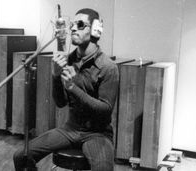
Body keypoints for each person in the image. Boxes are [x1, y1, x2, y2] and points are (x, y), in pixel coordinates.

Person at [13, 8, 119, 171]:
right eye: (73, 24)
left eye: (80, 24)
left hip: (97, 134)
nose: (73, 28)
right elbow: (61, 103)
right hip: (70, 128)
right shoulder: (68, 60)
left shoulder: (108, 67)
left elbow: (105, 110)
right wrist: (56, 77)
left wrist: (73, 88)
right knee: (21, 156)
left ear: (95, 30)